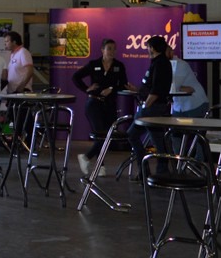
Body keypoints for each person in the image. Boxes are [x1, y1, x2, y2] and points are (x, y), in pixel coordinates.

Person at [73, 39, 131, 175]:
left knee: (108, 135)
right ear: (102, 50)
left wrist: (112, 89)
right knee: (100, 134)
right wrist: (86, 89)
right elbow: (76, 77)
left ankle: (87, 158)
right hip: (94, 103)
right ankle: (100, 166)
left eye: (114, 49)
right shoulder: (94, 64)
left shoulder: (119, 66)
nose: (112, 51)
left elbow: (123, 84)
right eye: (109, 48)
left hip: (110, 104)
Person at [125, 35, 172, 177]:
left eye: (148, 47)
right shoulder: (158, 62)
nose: (147, 50)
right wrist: (137, 90)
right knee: (157, 140)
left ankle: (147, 170)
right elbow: (151, 86)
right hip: (154, 106)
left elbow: (156, 90)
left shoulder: (160, 64)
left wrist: (145, 106)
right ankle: (159, 171)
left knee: (132, 135)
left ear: (153, 48)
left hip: (153, 108)